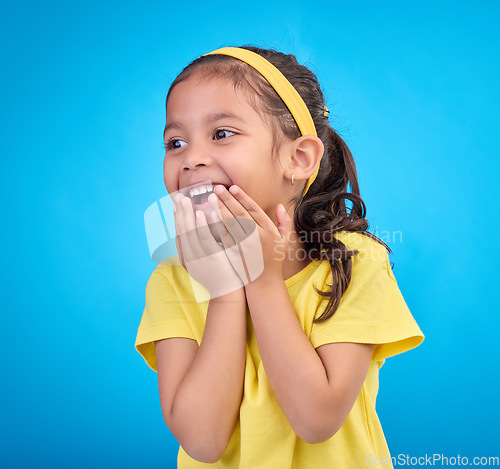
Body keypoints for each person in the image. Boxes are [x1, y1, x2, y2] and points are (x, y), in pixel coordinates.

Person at [134, 45, 424, 468]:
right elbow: (203, 441)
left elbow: (316, 419)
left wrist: (263, 280)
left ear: (298, 158)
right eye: (175, 142)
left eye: (221, 134)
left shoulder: (354, 261)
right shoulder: (173, 279)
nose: (192, 158)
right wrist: (226, 290)